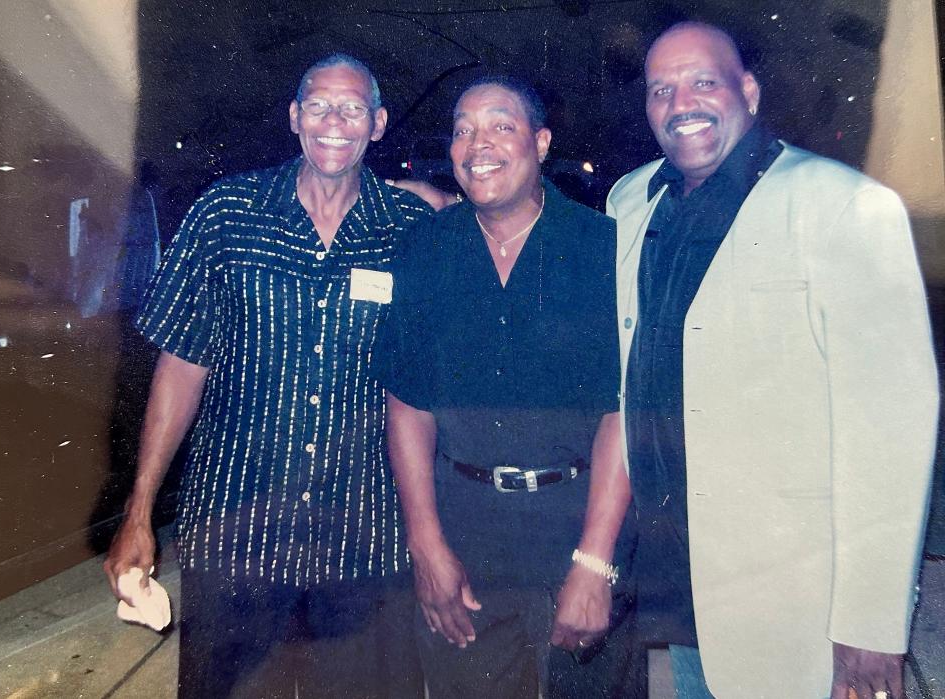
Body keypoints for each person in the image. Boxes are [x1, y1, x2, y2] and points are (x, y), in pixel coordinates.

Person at [606, 21, 939, 698]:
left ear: (748, 91)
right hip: (684, 582)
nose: (681, 103)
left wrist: (871, 622)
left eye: (703, 81)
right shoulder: (630, 202)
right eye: (661, 89)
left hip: (796, 601)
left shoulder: (844, 205)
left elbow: (891, 426)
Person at [103, 54, 432, 698]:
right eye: (318, 105)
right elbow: (181, 365)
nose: (334, 121)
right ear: (294, 117)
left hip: (364, 537)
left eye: (353, 108)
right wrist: (139, 509)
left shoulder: (413, 230)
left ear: (379, 124)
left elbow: (428, 384)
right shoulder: (227, 214)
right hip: (236, 534)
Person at [379, 76, 636, 698]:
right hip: (466, 533)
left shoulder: (605, 247)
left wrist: (595, 563)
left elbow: (624, 413)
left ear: (541, 142)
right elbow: (408, 406)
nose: (477, 144)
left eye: (500, 125)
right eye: (463, 129)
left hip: (579, 524)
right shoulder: (424, 248)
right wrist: (427, 548)